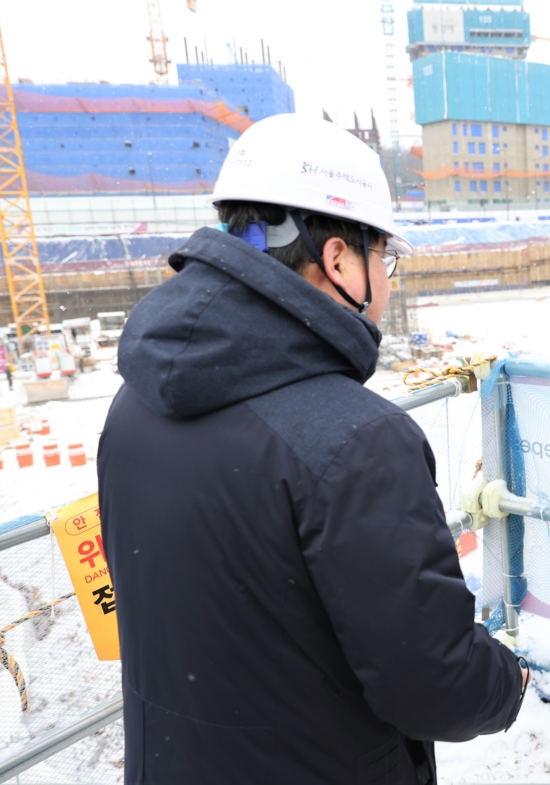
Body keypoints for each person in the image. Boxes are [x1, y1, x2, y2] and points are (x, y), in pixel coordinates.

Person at [98, 114, 528, 785]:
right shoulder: (360, 441)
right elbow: (433, 680)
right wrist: (506, 679)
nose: (386, 281)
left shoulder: (135, 403)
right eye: (382, 257)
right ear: (337, 258)